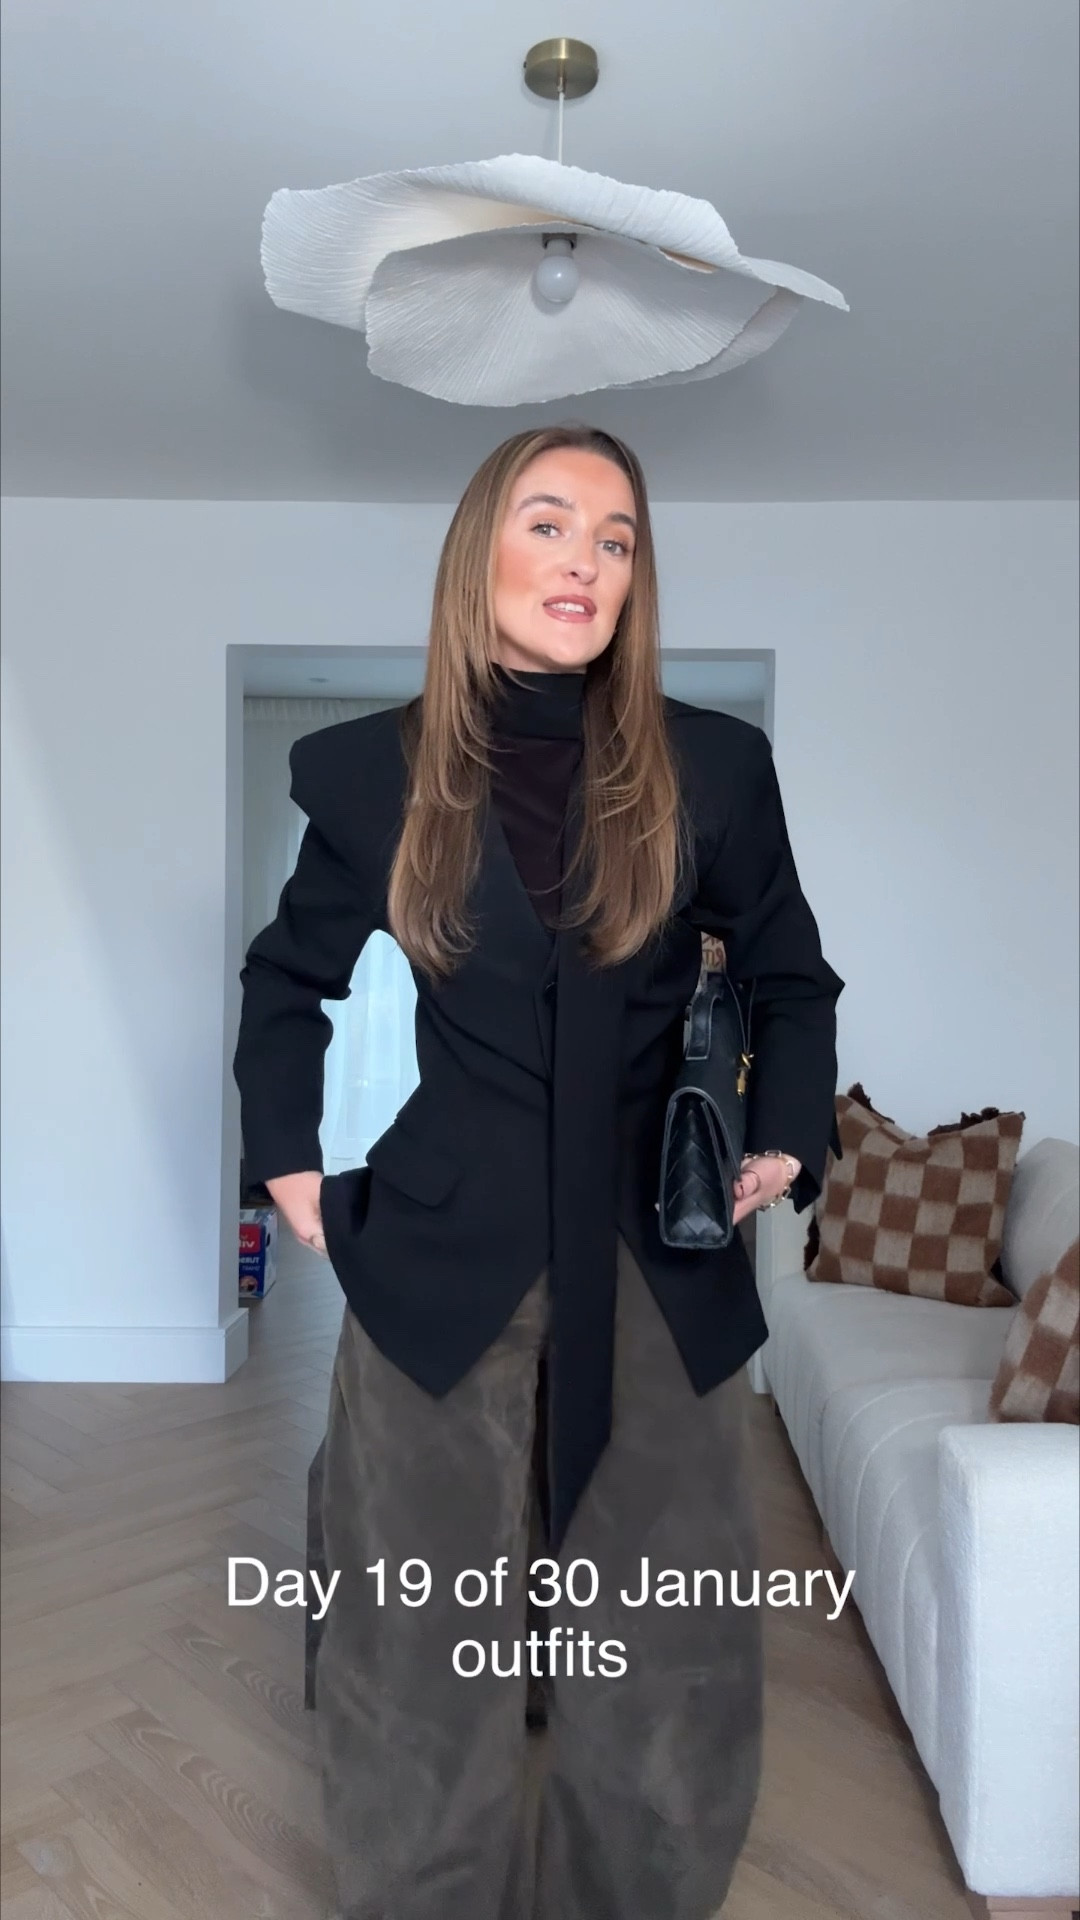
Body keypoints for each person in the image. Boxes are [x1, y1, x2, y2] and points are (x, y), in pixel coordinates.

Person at [232, 423, 844, 1920]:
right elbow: (284, 983)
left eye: (616, 539)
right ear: (481, 553)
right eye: (550, 523)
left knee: (670, 1641)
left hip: (661, 1262)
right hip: (440, 1254)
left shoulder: (715, 766)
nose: (585, 562)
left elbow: (791, 977)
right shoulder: (370, 773)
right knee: (414, 1635)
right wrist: (287, 1161)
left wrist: (788, 1129)